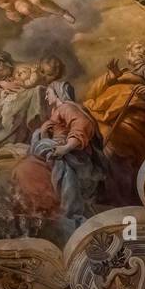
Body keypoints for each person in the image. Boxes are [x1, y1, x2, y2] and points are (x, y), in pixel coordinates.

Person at [82, 40, 145, 203]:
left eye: (144, 48)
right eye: (136, 48)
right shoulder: (122, 73)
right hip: (109, 117)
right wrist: (112, 76)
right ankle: (105, 192)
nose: (140, 51)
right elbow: (91, 96)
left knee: (115, 151)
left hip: (134, 119)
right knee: (101, 149)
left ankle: (120, 197)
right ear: (128, 54)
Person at [29, 81, 103, 223]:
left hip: (72, 153)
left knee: (63, 167)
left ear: (57, 93)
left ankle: (70, 211)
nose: (46, 98)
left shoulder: (66, 107)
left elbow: (83, 125)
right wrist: (44, 133)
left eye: (48, 94)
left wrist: (66, 148)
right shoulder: (57, 110)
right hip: (57, 147)